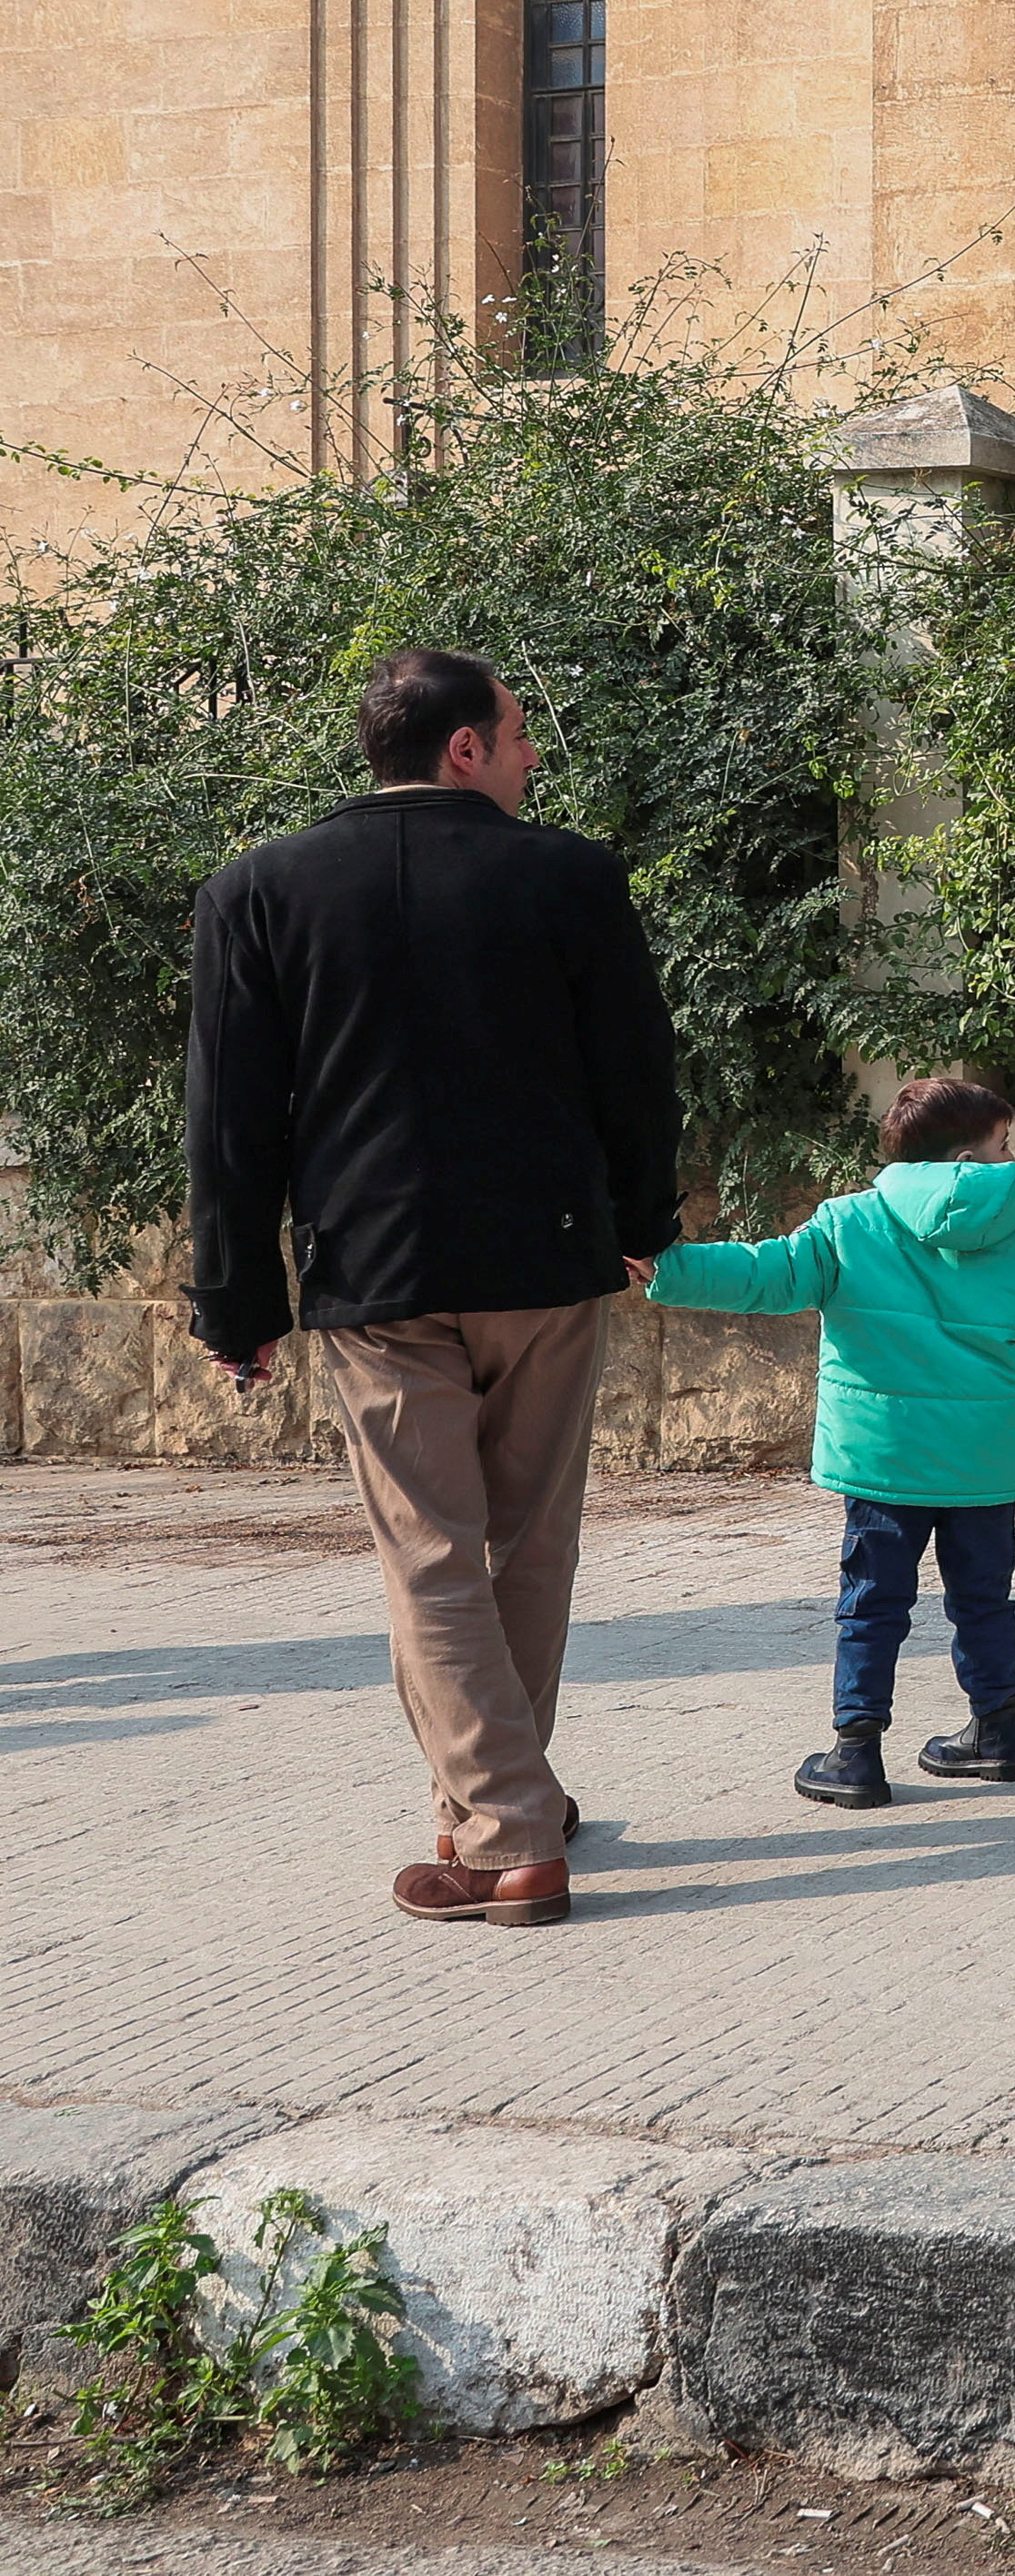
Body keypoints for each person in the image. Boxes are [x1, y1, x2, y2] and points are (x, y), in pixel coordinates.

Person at [184, 645, 681, 1929]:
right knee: (529, 1539)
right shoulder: (571, 875)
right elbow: (636, 1072)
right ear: (464, 747)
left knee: (430, 1557)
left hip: (377, 1268)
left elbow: (231, 1126)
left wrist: (239, 1303)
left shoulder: (260, 888)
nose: (529, 757)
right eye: (517, 736)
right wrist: (640, 1224)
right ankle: (500, 1804)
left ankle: (505, 1827)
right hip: (547, 1256)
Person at [646, 1078, 1015, 1809]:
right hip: (981, 1459)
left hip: (882, 1460)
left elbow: (764, 1275)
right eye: (1005, 1144)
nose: (1013, 1157)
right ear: (970, 1157)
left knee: (872, 1604)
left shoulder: (848, 1224)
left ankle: (856, 1753)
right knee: (984, 1599)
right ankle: (998, 1734)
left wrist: (666, 1264)